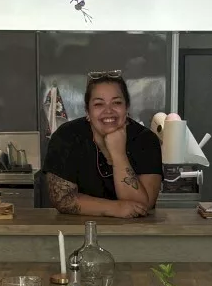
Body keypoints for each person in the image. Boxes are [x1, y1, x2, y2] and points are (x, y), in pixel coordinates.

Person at [42, 72, 162, 218]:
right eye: (99, 104)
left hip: (135, 236)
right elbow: (62, 199)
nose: (108, 111)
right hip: (76, 233)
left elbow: (141, 206)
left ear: (127, 107)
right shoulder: (67, 137)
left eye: (116, 102)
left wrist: (118, 154)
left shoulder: (146, 140)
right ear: (87, 111)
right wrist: (114, 208)